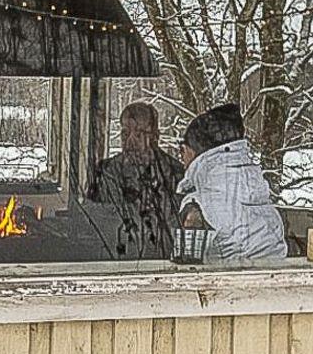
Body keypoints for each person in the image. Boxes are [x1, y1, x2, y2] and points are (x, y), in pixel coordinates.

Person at [175, 102, 287, 263]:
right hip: (277, 282)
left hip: (225, 285)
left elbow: (186, 267)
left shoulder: (198, 206)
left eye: (182, 150)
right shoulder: (258, 193)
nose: (182, 159)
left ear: (193, 152)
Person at [86, 101, 184, 259]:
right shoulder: (106, 171)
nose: (130, 141)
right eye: (125, 134)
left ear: (155, 136)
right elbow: (91, 222)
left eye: (138, 134)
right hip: (114, 260)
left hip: (162, 263)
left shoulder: (175, 174)